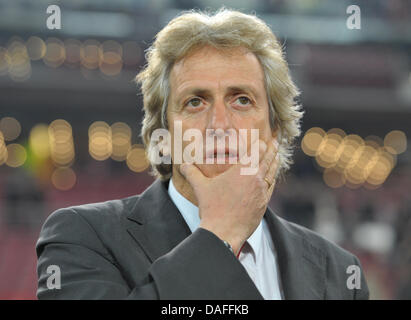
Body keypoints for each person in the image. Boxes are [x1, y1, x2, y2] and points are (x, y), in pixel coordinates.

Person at [36, 8, 369, 299]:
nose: (219, 124)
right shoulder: (81, 237)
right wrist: (219, 234)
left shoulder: (338, 272)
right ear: (161, 138)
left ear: (275, 133)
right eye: (195, 101)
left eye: (242, 100)